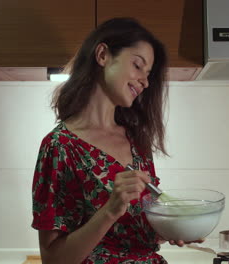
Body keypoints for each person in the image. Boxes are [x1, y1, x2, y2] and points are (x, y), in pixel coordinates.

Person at [31, 17, 199, 264]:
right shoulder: (59, 147)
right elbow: (54, 260)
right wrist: (111, 209)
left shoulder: (137, 141)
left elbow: (135, 234)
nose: (145, 81)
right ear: (102, 55)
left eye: (149, 73)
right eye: (137, 65)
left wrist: (169, 228)